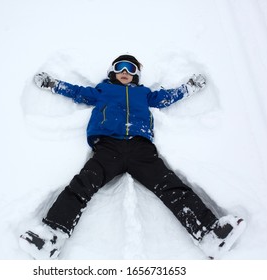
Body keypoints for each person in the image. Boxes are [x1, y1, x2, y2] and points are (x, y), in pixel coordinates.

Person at [19, 54, 246, 259]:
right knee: (82, 185)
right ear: (113, 72)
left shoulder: (143, 93)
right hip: (108, 148)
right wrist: (52, 84)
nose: (126, 72)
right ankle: (50, 238)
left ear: (136, 75)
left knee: (171, 187)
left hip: (141, 150)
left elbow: (167, 97)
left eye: (131, 69)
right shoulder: (102, 90)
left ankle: (209, 234)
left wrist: (189, 87)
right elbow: (77, 92)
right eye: (121, 68)